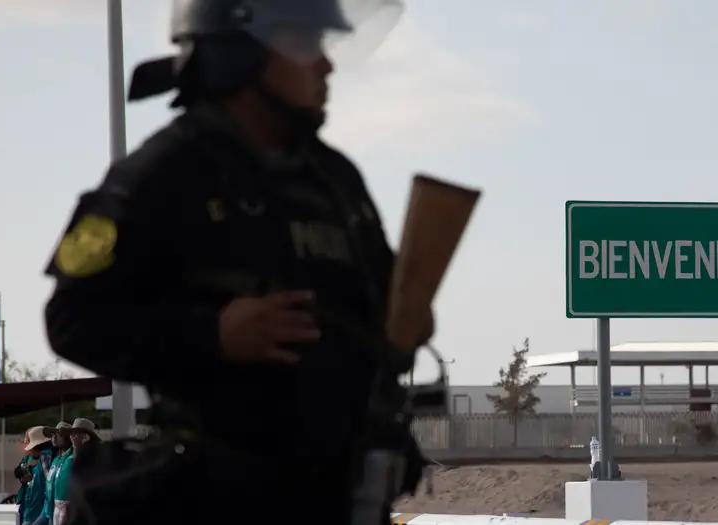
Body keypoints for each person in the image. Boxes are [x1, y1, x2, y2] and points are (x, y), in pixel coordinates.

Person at [42, 1, 429, 524]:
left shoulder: (334, 180)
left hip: (337, 497)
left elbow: (378, 322)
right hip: (217, 499)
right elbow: (73, 319)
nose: (326, 65)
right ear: (241, 49)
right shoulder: (166, 173)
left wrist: (402, 320)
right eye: (307, 44)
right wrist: (211, 336)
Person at [53, 419, 99, 525]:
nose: (72, 436)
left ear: (85, 436)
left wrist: (76, 447)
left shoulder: (94, 451)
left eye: (76, 433)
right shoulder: (75, 450)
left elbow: (78, 468)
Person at [16, 426, 56, 525]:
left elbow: (50, 484)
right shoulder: (29, 458)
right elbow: (18, 471)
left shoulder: (46, 457)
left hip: (40, 511)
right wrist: (26, 470)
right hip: (29, 510)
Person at [39, 422, 73, 525]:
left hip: (64, 513)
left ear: (67, 437)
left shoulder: (71, 458)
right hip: (50, 512)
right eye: (52, 435)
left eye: (58, 435)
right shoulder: (55, 460)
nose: (54, 438)